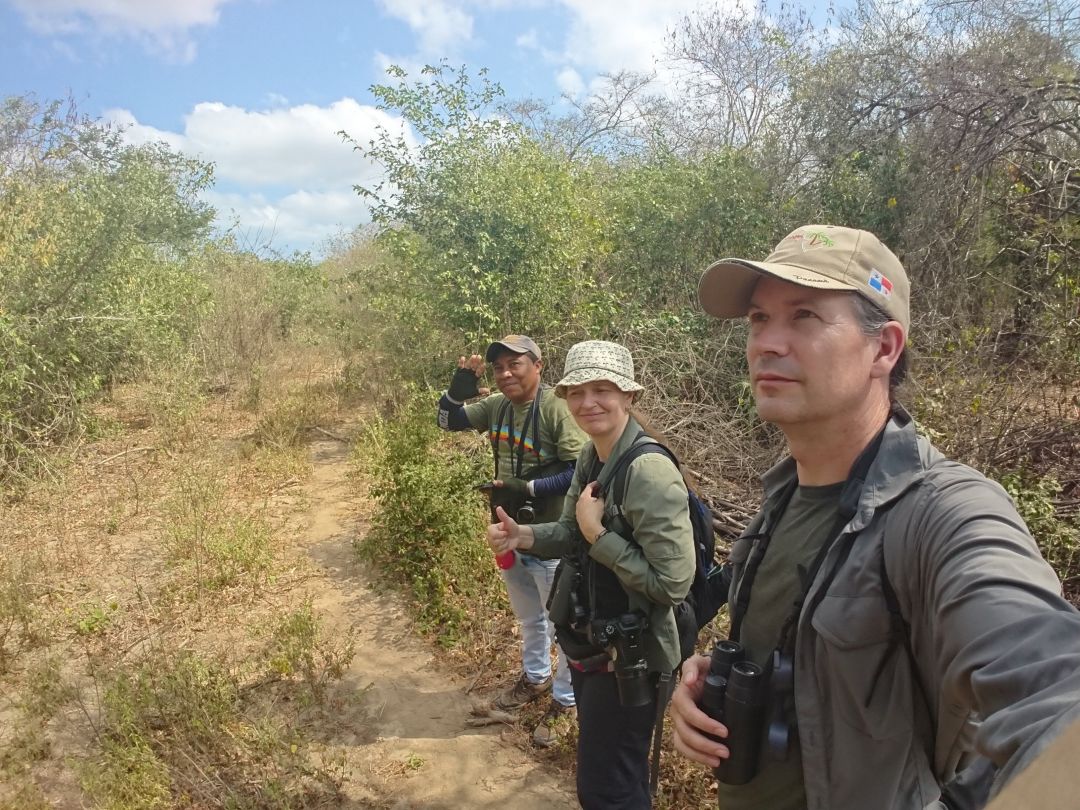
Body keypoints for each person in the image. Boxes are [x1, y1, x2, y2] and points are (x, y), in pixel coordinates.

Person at [670, 224, 1080, 809]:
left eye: (805, 316)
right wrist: (708, 680)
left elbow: (1055, 692)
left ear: (883, 348)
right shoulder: (783, 497)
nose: (767, 342)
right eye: (759, 319)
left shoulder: (944, 512)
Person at [487, 340, 696, 809]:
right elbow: (568, 530)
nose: (588, 402)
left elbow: (673, 584)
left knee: (608, 789)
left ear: (629, 397)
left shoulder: (648, 471)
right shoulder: (594, 454)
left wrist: (596, 533)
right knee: (614, 775)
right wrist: (523, 535)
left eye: (603, 390)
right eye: (577, 392)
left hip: (635, 657)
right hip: (597, 643)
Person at [438, 334, 585, 746]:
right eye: (499, 366)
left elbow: (579, 468)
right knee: (528, 617)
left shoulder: (557, 406)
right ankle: (536, 679)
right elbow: (446, 421)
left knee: (564, 625)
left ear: (538, 365)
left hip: (553, 535)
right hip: (508, 533)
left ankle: (566, 701)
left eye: (515, 364)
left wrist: (528, 487)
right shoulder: (498, 406)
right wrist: (456, 391)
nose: (505, 374)